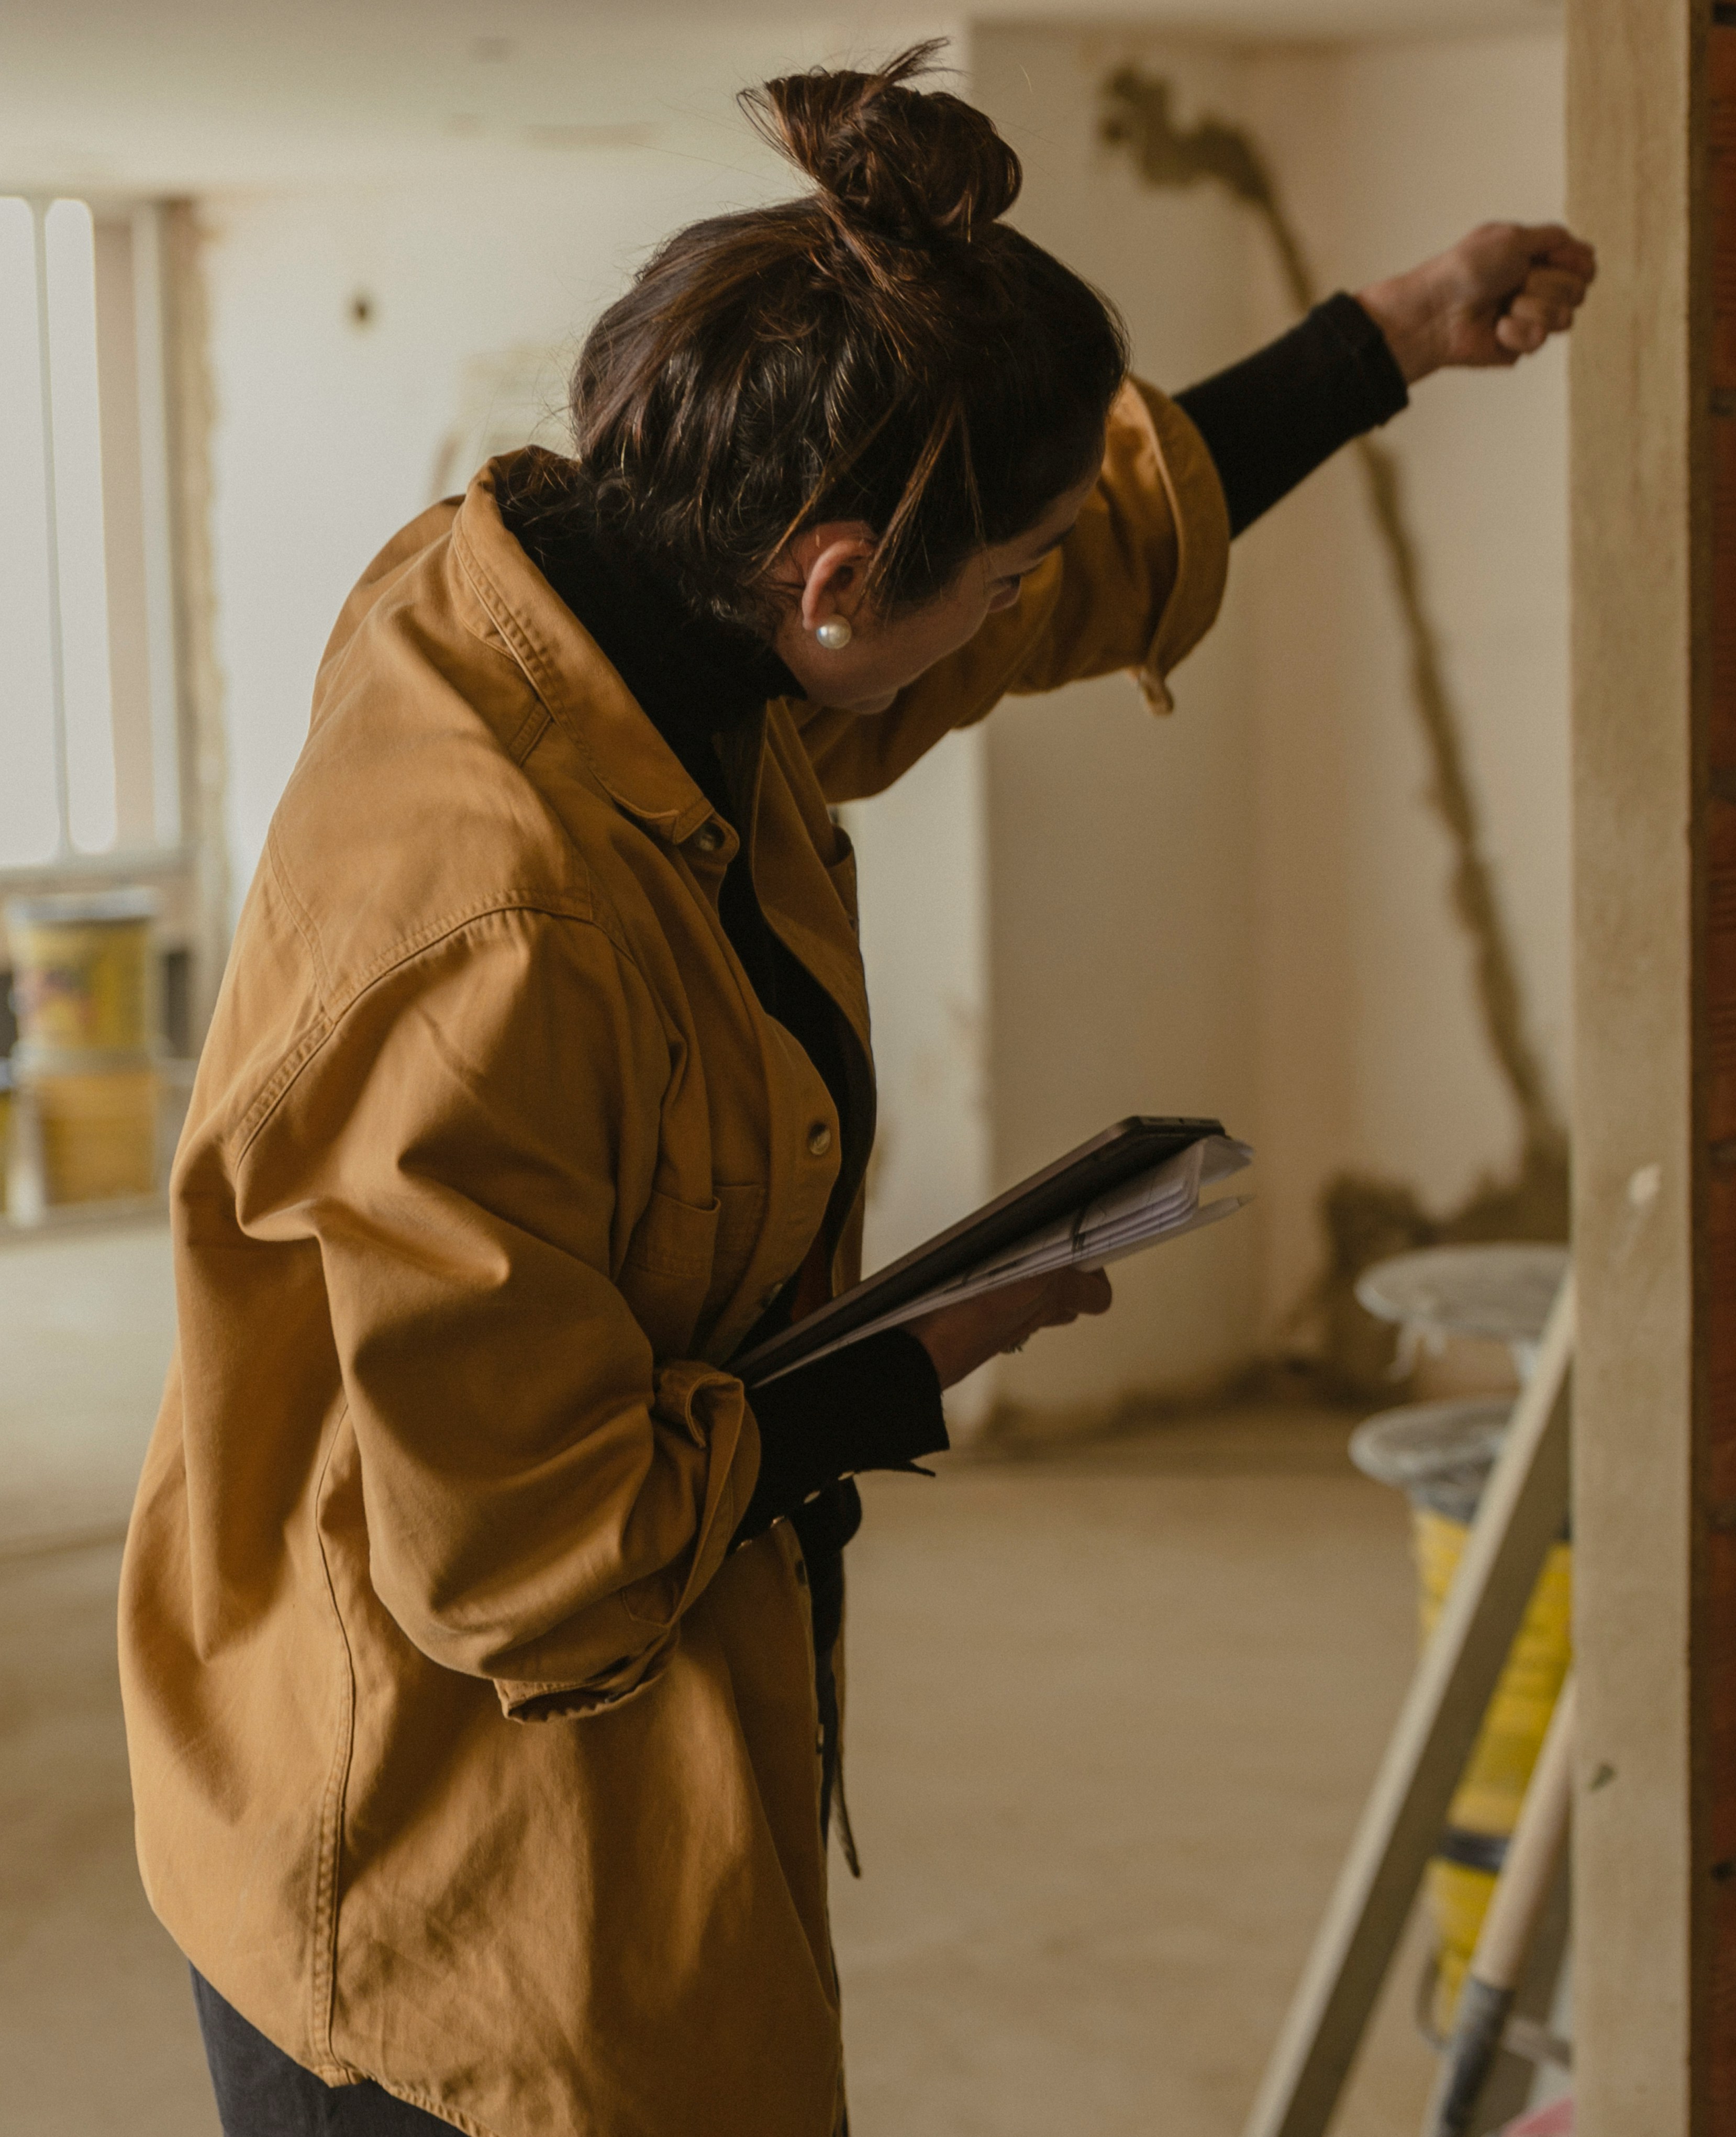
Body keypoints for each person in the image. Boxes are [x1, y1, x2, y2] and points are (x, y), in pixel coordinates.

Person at [116, 43, 1592, 2137]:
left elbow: (1067, 561)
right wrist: (908, 1358)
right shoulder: (505, 928)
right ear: (834, 583)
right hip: (431, 1877)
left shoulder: (622, 625)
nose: (1012, 613)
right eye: (984, 579)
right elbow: (529, 1556)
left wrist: (1383, 342)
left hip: (557, 1777)